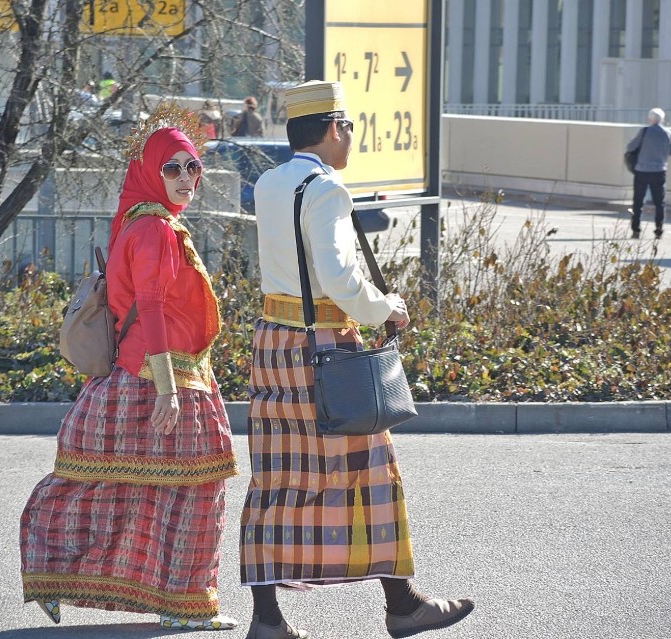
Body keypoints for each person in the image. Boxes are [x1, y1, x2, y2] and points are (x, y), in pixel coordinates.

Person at [239, 80, 474, 639]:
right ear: (331, 128)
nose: (350, 138)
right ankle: (403, 605)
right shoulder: (326, 189)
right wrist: (386, 308)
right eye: (348, 127)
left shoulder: (271, 183)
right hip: (326, 346)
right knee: (370, 472)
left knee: (277, 477)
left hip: (274, 344)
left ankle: (268, 620)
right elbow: (341, 279)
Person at [20, 118, 239, 632]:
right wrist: (168, 389)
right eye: (173, 168)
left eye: (194, 167)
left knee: (125, 490)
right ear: (149, 171)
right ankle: (186, 606)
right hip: (161, 382)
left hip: (141, 380)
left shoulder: (141, 222)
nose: (187, 177)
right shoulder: (156, 229)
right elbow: (152, 307)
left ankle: (64, 577)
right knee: (196, 493)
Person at [626, 107, 671, 239]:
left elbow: (631, 147)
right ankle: (658, 230)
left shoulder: (644, 132)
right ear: (662, 119)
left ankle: (636, 229)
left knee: (638, 201)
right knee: (659, 202)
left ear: (650, 119)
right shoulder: (668, 133)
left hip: (642, 170)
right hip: (659, 171)